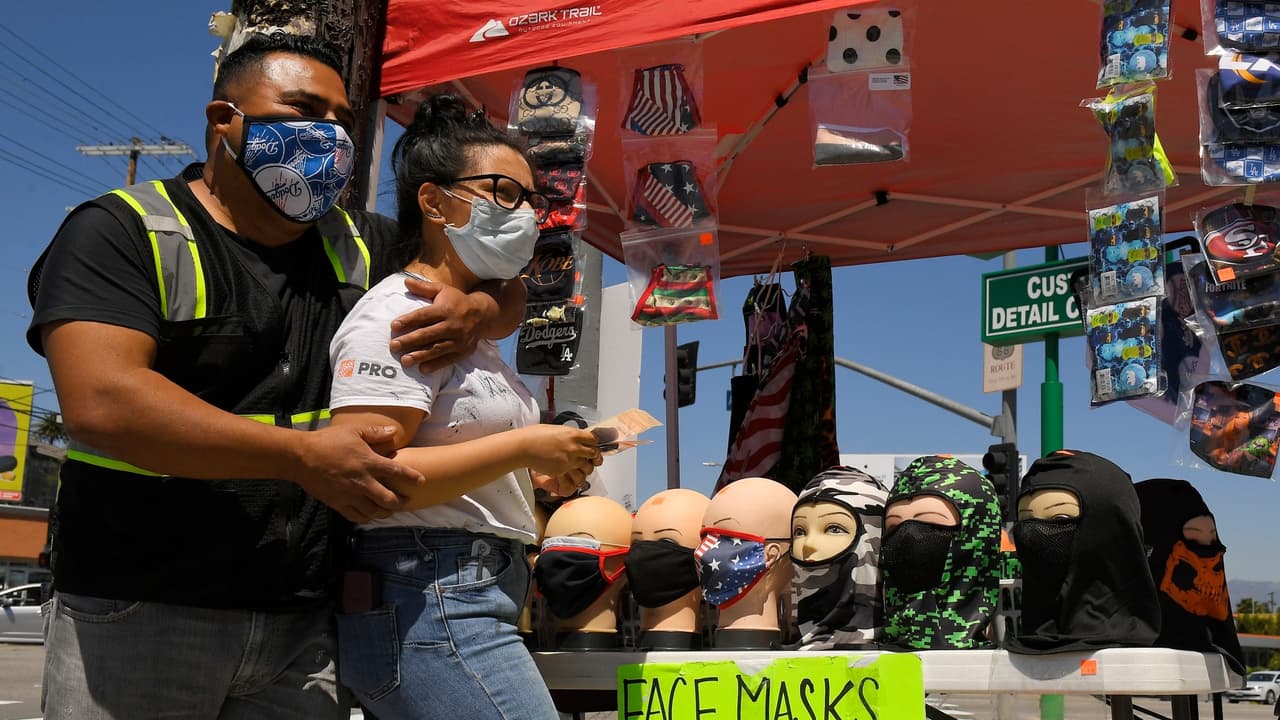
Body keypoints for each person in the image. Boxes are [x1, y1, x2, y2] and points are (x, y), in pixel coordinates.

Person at [27, 34, 525, 719]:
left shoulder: (362, 243)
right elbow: (103, 404)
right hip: (140, 608)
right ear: (223, 120)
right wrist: (300, 456)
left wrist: (480, 310)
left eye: (341, 119)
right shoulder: (123, 230)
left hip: (303, 626)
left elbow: (501, 280)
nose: (329, 135)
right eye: (303, 110)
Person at [326, 93, 602, 720]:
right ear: (433, 202)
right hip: (429, 594)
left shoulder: (465, 325)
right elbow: (370, 480)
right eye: (503, 192)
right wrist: (525, 446)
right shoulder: (400, 316)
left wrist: (535, 474)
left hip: (463, 592)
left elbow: (452, 455)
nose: (524, 213)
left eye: (530, 200)